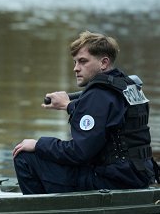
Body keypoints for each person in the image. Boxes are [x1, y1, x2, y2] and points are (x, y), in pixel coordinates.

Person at [13, 31, 156, 194]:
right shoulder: (127, 86)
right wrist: (68, 106)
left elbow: (78, 153)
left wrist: (39, 144)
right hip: (137, 175)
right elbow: (104, 117)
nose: (76, 68)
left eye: (83, 62)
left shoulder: (98, 95)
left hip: (112, 180)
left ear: (104, 63)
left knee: (25, 156)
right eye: (75, 62)